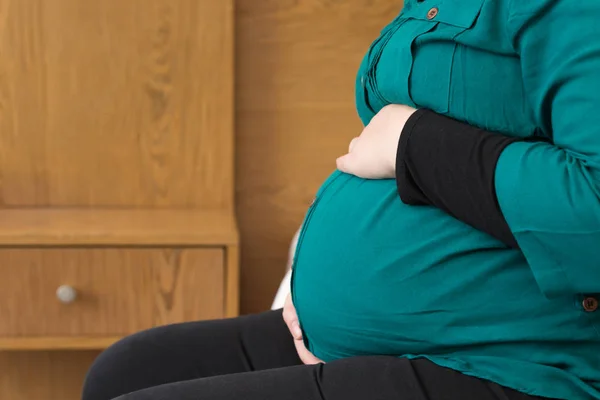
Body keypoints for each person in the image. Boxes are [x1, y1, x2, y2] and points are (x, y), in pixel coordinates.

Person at [82, 0, 600, 399]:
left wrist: (411, 144)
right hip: (362, 333)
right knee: (124, 371)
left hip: (511, 363)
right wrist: (316, 288)